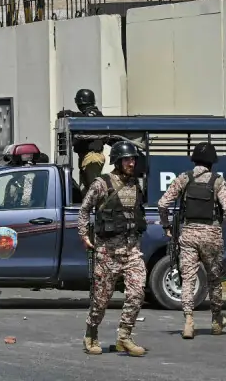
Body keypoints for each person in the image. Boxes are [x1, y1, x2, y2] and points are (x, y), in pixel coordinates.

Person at [157, 141, 226, 339]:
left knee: (188, 279)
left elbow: (162, 204)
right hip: (212, 236)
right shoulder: (217, 181)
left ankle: (188, 322)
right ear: (212, 162)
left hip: (188, 235)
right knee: (214, 280)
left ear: (194, 160)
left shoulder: (184, 178)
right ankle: (216, 320)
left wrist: (166, 227)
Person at [78, 139, 148, 357]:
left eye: (133, 160)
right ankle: (91, 333)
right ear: (117, 161)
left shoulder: (136, 184)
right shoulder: (102, 184)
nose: (131, 163)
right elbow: (84, 209)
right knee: (101, 299)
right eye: (127, 160)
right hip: (107, 252)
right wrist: (84, 234)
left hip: (132, 250)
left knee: (137, 293)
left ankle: (124, 336)